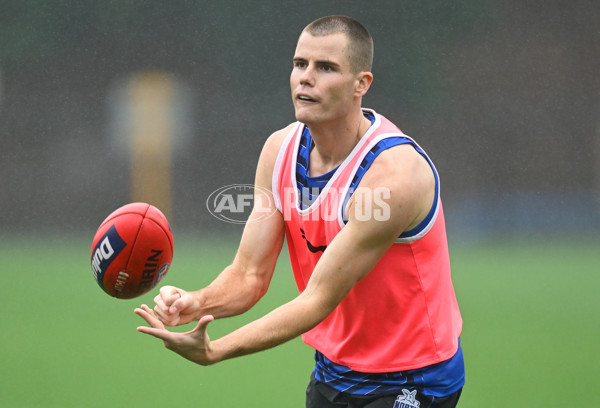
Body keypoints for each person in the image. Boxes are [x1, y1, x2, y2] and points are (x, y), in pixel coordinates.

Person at [135, 15, 464, 408]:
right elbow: (249, 274)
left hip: (414, 378)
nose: (306, 78)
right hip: (332, 371)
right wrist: (197, 302)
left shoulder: (393, 177)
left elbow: (317, 299)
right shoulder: (279, 152)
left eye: (326, 68)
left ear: (362, 84)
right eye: (299, 64)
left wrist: (216, 350)